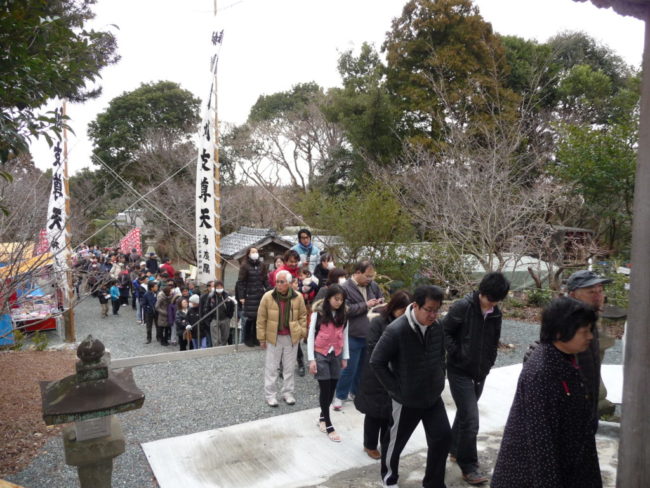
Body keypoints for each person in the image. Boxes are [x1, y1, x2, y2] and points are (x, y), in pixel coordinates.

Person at [491, 297, 601, 488]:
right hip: (533, 475)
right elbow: (541, 442)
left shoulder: (564, 358)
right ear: (559, 333)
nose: (590, 337)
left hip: (570, 463)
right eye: (584, 332)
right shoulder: (542, 372)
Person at [370, 285, 450, 488]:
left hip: (432, 396)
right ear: (416, 306)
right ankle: (389, 479)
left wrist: (441, 376)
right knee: (394, 444)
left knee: (442, 437)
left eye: (436, 310)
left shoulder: (437, 326)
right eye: (429, 309)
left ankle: (433, 483)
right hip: (406, 400)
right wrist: (396, 390)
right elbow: (376, 362)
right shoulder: (397, 329)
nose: (433, 314)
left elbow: (441, 354)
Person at [442, 271, 510, 485]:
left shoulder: (495, 313)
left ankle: (454, 449)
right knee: (471, 419)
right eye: (490, 299)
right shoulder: (463, 307)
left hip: (480, 372)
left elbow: (493, 341)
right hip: (459, 371)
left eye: (496, 301)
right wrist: (458, 353)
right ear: (481, 292)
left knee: (464, 415)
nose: (492, 304)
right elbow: (444, 332)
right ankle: (469, 466)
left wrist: (489, 362)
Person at [355, 290, 412, 460]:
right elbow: (373, 348)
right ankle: (369, 445)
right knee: (374, 413)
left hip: (396, 374)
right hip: (376, 373)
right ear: (394, 306)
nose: (404, 314)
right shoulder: (378, 322)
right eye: (401, 309)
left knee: (390, 413)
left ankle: (385, 443)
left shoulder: (408, 324)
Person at [333, 260, 383, 410]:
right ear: (357, 272)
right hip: (352, 333)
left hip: (370, 332)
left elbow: (381, 299)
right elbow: (344, 308)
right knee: (348, 368)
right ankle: (339, 396)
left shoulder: (373, 285)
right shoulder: (344, 287)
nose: (370, 279)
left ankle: (356, 393)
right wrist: (366, 305)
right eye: (367, 276)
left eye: (371, 276)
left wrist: (380, 302)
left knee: (363, 367)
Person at [256, 270, 307, 407]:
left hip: (291, 336)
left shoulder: (298, 297)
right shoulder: (268, 296)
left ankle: (288, 393)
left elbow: (303, 315)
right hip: (274, 337)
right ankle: (270, 395)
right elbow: (261, 318)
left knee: (289, 367)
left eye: (282, 282)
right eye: (277, 281)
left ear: (289, 283)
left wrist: (302, 332)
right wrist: (262, 338)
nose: (278, 284)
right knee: (271, 368)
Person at [307, 284, 349, 442]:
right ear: (328, 298)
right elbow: (311, 336)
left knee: (332, 388)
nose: (338, 302)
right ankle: (329, 424)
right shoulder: (318, 314)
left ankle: (322, 417)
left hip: (337, 354)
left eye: (341, 300)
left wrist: (345, 357)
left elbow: (345, 336)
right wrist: (311, 359)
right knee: (324, 389)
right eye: (336, 299)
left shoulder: (344, 314)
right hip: (321, 353)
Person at [237, 247, 268, 347]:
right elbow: (240, 282)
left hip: (259, 294)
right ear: (248, 254)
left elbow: (265, 279)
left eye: (256, 252)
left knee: (258, 318)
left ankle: (256, 338)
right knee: (250, 318)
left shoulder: (262, 265)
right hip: (249, 294)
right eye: (253, 252)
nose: (255, 253)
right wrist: (241, 296)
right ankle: (247, 339)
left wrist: (269, 289)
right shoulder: (245, 265)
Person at [211, 281, 235, 346]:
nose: (219, 288)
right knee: (216, 338)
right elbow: (207, 307)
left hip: (225, 318)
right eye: (217, 287)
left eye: (220, 287)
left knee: (225, 336)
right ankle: (216, 350)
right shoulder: (211, 296)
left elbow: (232, 306)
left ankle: (222, 348)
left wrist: (229, 316)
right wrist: (209, 319)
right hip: (214, 319)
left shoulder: (227, 295)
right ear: (215, 288)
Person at [155, 281, 173, 346]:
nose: (171, 292)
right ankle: (162, 340)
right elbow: (157, 306)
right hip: (162, 315)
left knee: (167, 329)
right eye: (170, 291)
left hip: (168, 315)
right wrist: (164, 312)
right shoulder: (161, 297)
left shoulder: (169, 296)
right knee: (161, 328)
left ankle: (166, 340)